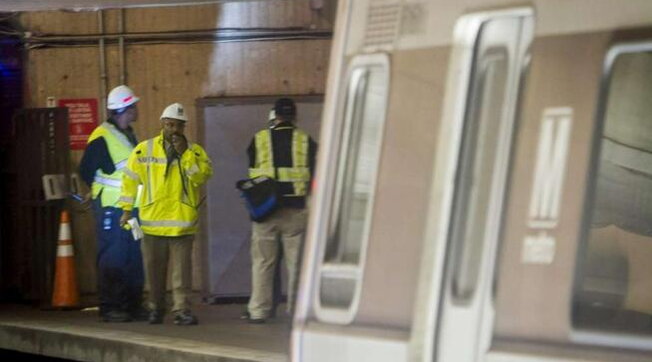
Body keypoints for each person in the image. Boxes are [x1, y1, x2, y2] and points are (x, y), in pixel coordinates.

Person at [119, 102, 212, 326]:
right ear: (162, 123)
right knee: (154, 273)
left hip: (182, 224)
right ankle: (156, 309)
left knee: (182, 274)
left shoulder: (195, 152)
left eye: (178, 125)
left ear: (184, 127)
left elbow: (202, 178)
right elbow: (129, 181)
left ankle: (181, 310)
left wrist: (185, 155)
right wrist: (126, 210)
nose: (173, 129)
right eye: (170, 124)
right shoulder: (144, 149)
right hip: (152, 223)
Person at [245, 98, 317, 323]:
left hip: (265, 211)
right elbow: (315, 177)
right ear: (295, 116)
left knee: (263, 263)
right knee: (296, 265)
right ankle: (296, 312)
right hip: (296, 211)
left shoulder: (258, 140)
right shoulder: (307, 141)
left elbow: (252, 169)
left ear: (274, 115)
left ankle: (259, 311)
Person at [79, 85, 145, 322]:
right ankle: (111, 307)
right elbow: (86, 170)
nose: (137, 109)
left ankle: (132, 305)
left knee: (133, 256)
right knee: (114, 256)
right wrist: (96, 192)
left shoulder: (128, 134)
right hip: (112, 208)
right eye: (134, 105)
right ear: (126, 109)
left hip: (131, 209)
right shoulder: (102, 136)